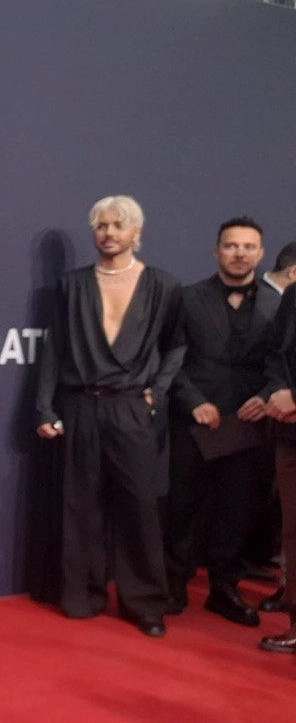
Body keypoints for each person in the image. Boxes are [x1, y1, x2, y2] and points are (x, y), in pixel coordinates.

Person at [35, 196, 182, 636]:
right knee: (80, 503)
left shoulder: (163, 285)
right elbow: (55, 349)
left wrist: (158, 390)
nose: (109, 233)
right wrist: (44, 406)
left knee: (139, 506)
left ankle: (146, 604)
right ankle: (82, 594)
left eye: (118, 225)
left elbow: (177, 344)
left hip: (131, 407)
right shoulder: (71, 284)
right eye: (101, 226)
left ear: (137, 232)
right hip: (79, 403)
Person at [163, 218, 277, 626]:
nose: (239, 253)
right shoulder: (186, 298)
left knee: (236, 510)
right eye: (231, 245)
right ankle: (173, 584)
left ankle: (224, 589)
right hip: (194, 422)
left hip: (248, 424)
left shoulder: (278, 304)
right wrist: (194, 401)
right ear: (216, 251)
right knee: (182, 507)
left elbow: (284, 362)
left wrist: (267, 397)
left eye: (248, 246)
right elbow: (168, 359)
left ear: (260, 254)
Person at [259, 284, 296, 655]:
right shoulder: (293, 295)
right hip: (290, 431)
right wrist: (278, 392)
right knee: (293, 532)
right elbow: (274, 353)